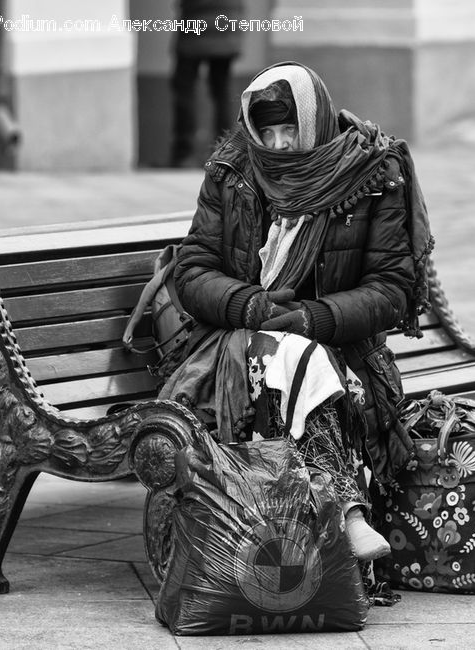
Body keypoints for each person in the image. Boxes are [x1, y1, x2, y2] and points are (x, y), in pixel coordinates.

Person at [159, 61, 434, 561]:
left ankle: (295, 546)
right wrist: (248, 304)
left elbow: (392, 287)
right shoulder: (233, 172)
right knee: (289, 354)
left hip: (342, 348)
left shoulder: (370, 173)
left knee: (298, 352)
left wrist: (315, 318)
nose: (280, 144)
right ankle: (345, 514)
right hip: (233, 344)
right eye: (268, 131)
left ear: (315, 119)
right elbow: (193, 269)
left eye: (290, 129)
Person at [169, 0, 244, 168]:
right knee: (222, 91)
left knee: (184, 88)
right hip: (227, 23)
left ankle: (184, 154)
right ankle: (225, 154)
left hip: (195, 20)